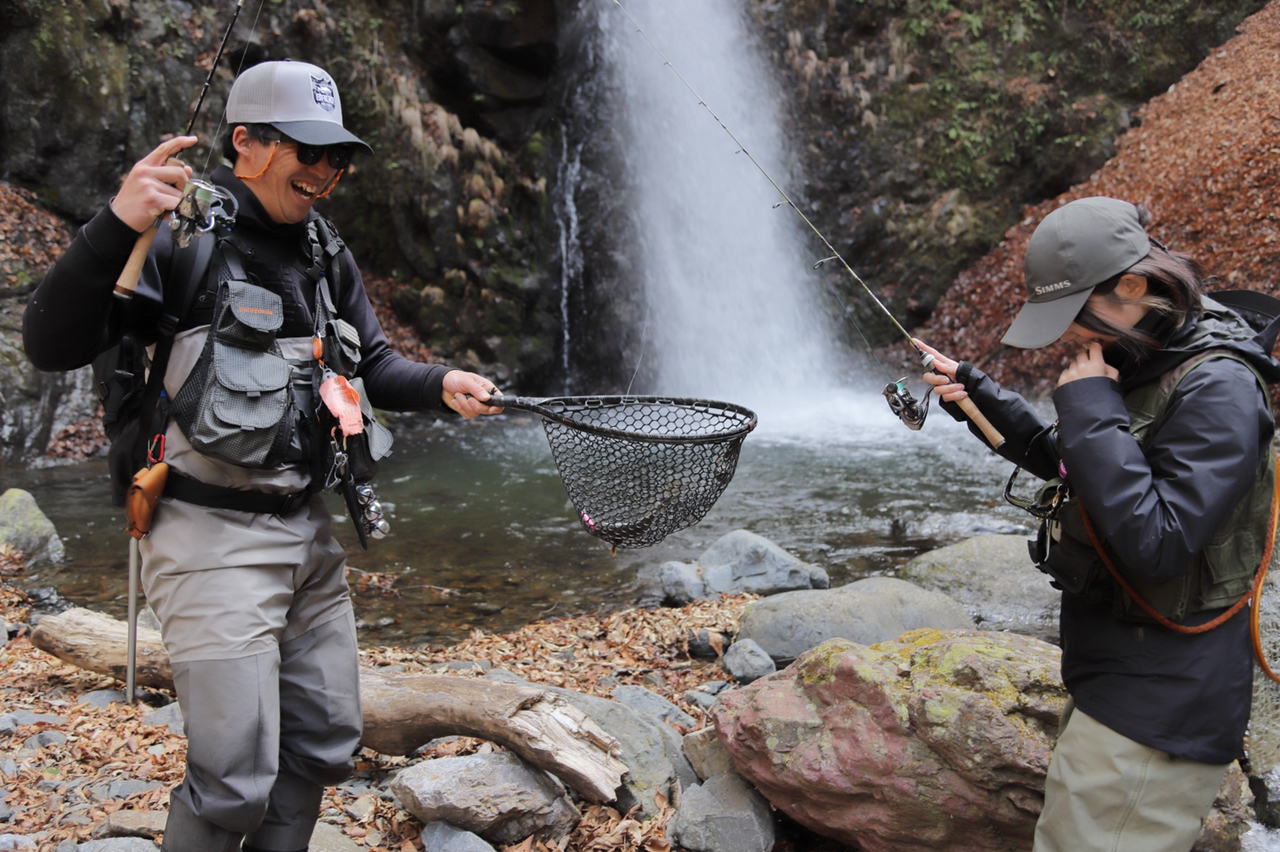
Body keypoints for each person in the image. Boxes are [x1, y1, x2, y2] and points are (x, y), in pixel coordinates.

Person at [23, 59, 505, 852]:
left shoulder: (323, 249)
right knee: (234, 782)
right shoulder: (177, 236)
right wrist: (114, 224)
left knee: (324, 742)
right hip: (205, 534)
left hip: (307, 531)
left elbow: (373, 364)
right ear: (245, 143)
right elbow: (50, 343)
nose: (325, 171)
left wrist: (443, 381)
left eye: (337, 156)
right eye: (306, 151)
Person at [916, 196, 1280, 852]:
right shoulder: (1150, 358)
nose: (1065, 338)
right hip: (1122, 684)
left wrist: (1087, 406)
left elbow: (1157, 543)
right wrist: (976, 395)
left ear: (1133, 287)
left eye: (1073, 315)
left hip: (1159, 709)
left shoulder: (1218, 388)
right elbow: (1077, 466)